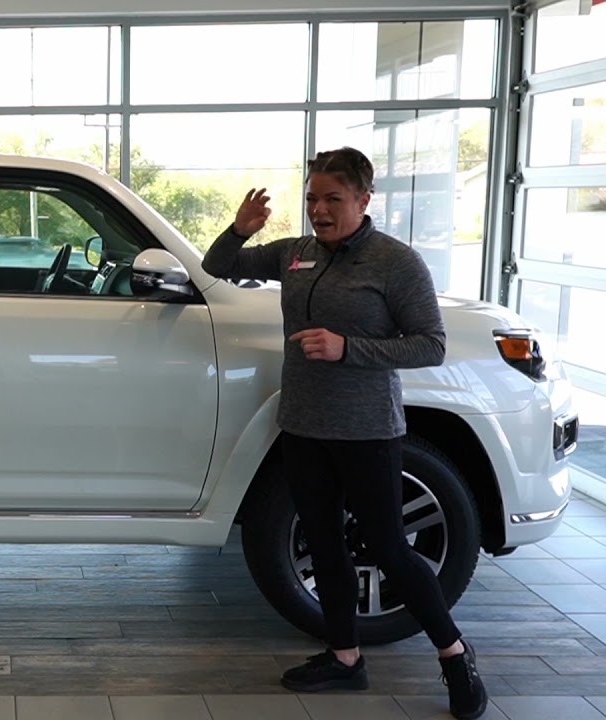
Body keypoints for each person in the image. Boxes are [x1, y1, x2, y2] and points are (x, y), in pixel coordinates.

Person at [200, 147, 487, 720]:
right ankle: (345, 657)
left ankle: (455, 655)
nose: (320, 210)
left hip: (366, 432)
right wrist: (238, 230)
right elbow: (217, 268)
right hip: (303, 427)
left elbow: (430, 344)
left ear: (363, 199)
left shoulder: (395, 262)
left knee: (387, 549)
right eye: (312, 198)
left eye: (333, 198)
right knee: (324, 543)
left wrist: (347, 348)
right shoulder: (295, 254)